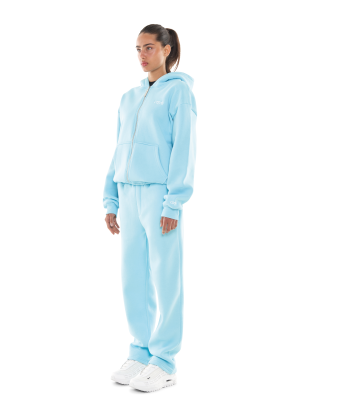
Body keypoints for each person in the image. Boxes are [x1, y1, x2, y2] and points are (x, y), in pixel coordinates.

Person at [103, 24, 197, 393]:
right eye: (138, 49)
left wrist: (174, 202)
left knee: (166, 276)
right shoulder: (129, 97)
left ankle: (164, 361)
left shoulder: (178, 92)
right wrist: (110, 198)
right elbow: (118, 149)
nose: (142, 55)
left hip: (160, 195)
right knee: (133, 277)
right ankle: (139, 352)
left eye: (149, 48)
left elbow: (184, 148)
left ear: (166, 49)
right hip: (128, 195)